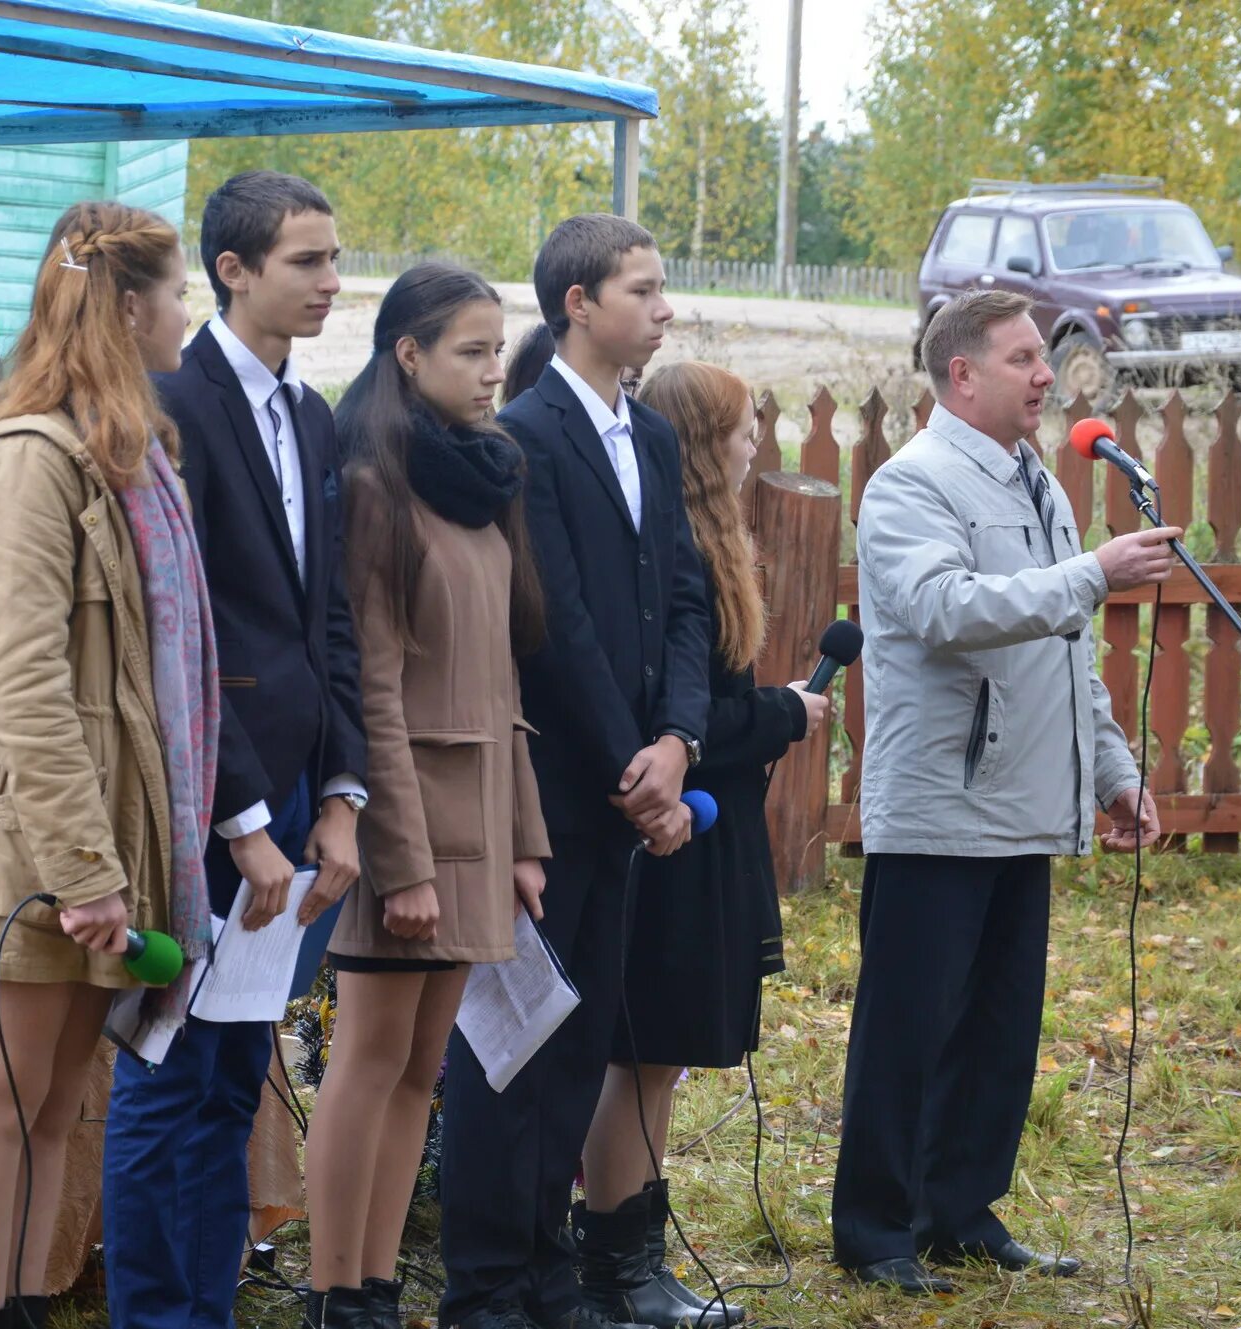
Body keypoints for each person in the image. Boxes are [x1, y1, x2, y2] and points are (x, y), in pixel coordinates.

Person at [833, 288, 1178, 1294]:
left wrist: (1112, 773)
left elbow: (1063, 660)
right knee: (908, 1029)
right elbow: (945, 611)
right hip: (940, 805)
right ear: (960, 376)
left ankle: (958, 1212)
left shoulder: (1038, 483)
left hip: (1025, 802)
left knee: (994, 1031)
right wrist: (1090, 575)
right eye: (1024, 358)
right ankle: (872, 1230)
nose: (1045, 377)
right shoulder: (912, 485)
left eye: (1044, 359)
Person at [0, 200, 200, 1328]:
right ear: (128, 307)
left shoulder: (110, 452)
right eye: (176, 292)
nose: (186, 314)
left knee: (51, 1107)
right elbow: (25, 686)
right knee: (1, 1099)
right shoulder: (31, 459)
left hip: (88, 838)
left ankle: (19, 1310)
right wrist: (83, 871)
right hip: (27, 845)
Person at [104, 169, 368, 1329]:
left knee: (228, 1083)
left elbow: (328, 622)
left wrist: (343, 795)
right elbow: (181, 635)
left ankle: (198, 1310)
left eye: (331, 257)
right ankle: (155, 1314)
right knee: (167, 1074)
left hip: (298, 790)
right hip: (206, 798)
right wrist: (242, 819)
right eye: (305, 260)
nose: (329, 280)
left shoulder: (309, 416)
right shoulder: (177, 400)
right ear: (232, 270)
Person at [438, 214, 712, 1329]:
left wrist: (680, 743)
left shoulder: (647, 436)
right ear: (577, 306)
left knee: (584, 1036)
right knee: (515, 1048)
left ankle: (551, 1278)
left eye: (662, 287)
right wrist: (627, 765)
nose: (663, 309)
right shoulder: (526, 435)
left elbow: (683, 602)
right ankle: (489, 1287)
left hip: (637, 788)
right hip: (554, 797)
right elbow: (553, 626)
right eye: (641, 290)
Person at [300, 263, 553, 1329]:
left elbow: (502, 687)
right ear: (407, 355)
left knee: (421, 1066)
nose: (493, 371)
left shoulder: (485, 482)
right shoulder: (372, 489)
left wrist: (525, 838)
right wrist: (398, 860)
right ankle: (330, 1290)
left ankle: (373, 1282)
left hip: (480, 822)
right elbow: (375, 690)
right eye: (469, 350)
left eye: (497, 349)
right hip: (404, 828)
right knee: (367, 1057)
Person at [576, 363, 831, 1329]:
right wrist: (779, 713)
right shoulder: (669, 546)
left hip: (712, 830)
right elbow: (679, 716)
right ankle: (612, 1263)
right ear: (695, 439)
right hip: (669, 833)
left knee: (665, 1058)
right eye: (741, 426)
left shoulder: (717, 541)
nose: (756, 442)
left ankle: (639, 1253)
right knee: (638, 1054)